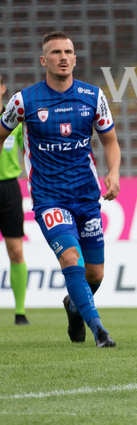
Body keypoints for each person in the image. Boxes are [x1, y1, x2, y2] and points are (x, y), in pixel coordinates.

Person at [0, 32, 120, 347]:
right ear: (44, 60)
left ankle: (73, 304)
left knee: (95, 275)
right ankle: (99, 331)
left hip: (86, 198)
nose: (63, 57)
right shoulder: (24, 101)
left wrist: (114, 173)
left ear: (75, 58)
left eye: (68, 51)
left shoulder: (93, 96)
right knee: (71, 259)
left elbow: (110, 141)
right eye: (55, 52)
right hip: (49, 199)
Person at [0, 73, 29, 325]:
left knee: (16, 251)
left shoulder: (14, 122)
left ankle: (20, 312)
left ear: (2, 88)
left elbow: (28, 151)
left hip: (9, 188)